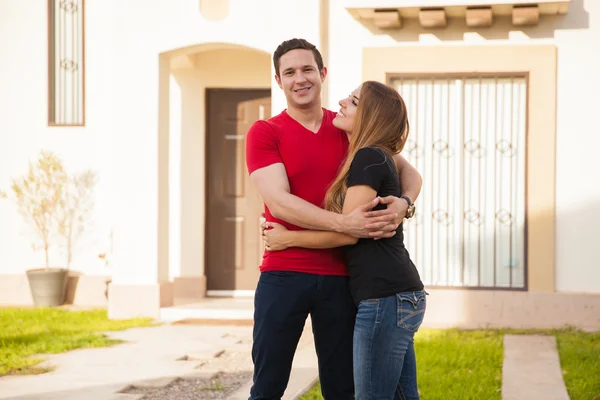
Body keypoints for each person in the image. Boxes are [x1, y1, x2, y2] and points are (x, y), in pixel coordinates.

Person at [245, 38, 422, 400]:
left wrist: (404, 203)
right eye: (289, 72)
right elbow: (279, 202)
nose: (300, 79)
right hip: (283, 272)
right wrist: (345, 224)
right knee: (267, 387)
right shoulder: (265, 132)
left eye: (307, 69)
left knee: (342, 389)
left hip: (342, 279)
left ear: (322, 73)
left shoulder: (348, 129)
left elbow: (408, 172)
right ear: (278, 81)